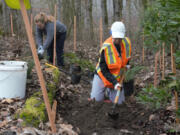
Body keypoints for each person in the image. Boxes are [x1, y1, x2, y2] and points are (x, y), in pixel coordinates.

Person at [90, 21, 132, 104]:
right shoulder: (106, 47)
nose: (118, 40)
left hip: (117, 77)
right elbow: (104, 69)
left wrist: (127, 65)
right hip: (102, 75)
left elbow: (127, 57)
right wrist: (115, 83)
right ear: (111, 34)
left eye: (120, 38)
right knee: (96, 100)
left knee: (119, 103)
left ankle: (109, 91)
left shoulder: (127, 43)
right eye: (116, 38)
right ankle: (104, 90)